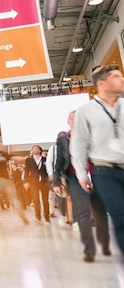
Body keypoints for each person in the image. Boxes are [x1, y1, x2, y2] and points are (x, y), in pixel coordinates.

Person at [71, 64, 124, 256]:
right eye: (116, 76)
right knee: (120, 218)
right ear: (102, 83)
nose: (122, 79)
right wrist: (81, 175)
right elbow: (78, 144)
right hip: (104, 171)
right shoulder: (86, 110)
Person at [54, 111, 110, 262]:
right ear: (68, 121)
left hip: (97, 175)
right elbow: (59, 160)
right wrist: (56, 181)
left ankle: (104, 242)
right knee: (83, 213)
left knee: (99, 212)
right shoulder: (63, 139)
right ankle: (89, 250)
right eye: (72, 117)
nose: (75, 120)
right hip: (74, 178)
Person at [0, 142, 29, 225]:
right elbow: (16, 158)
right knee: (14, 199)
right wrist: (25, 158)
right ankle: (23, 216)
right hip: (6, 180)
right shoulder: (4, 154)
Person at [24, 145, 50, 224]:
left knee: (45, 200)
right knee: (36, 200)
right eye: (33, 149)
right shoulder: (29, 160)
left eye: (36, 148)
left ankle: (47, 217)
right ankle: (38, 216)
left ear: (40, 150)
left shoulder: (45, 159)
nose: (34, 150)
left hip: (44, 182)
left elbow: (48, 170)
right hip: (33, 182)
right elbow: (26, 171)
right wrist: (26, 181)